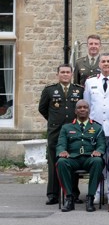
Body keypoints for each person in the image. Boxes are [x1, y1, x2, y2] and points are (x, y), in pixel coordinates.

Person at [38, 64, 84, 205]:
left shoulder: (79, 90)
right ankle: (53, 194)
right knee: (54, 162)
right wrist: (54, 121)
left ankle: (73, 194)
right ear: (57, 74)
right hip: (55, 131)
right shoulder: (50, 90)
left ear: (71, 74)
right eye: (62, 72)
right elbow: (42, 108)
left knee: (73, 161)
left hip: (73, 131)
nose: (65, 74)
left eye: (67, 72)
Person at [56, 100, 106, 212]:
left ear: (89, 110)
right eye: (79, 107)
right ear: (75, 111)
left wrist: (99, 151)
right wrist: (62, 151)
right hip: (73, 158)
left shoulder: (97, 127)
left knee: (98, 161)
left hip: (89, 158)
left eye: (85, 107)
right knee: (61, 162)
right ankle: (69, 198)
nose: (82, 109)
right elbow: (61, 143)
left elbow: (102, 144)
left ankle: (90, 198)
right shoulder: (66, 127)